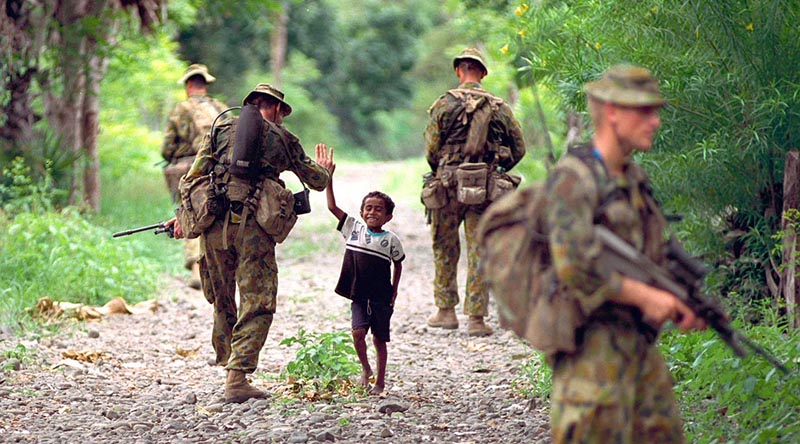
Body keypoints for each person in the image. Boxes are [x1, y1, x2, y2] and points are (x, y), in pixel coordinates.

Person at [545, 65, 706, 443]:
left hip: (641, 353)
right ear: (612, 111)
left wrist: (678, 299)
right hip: (591, 361)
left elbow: (646, 259)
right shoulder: (573, 179)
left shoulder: (634, 179)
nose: (655, 121)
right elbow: (575, 266)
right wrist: (649, 297)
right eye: (644, 111)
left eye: (656, 111)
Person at [168, 83, 330, 403]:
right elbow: (317, 181)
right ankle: (237, 377)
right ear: (278, 109)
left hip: (214, 226)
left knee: (222, 296)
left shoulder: (219, 129)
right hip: (253, 229)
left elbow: (192, 177)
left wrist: (183, 219)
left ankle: (227, 361)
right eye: (281, 112)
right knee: (258, 300)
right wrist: (326, 170)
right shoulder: (283, 139)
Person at [423, 47, 526, 336]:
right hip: (486, 188)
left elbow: (431, 149)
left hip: (447, 185)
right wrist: (496, 164)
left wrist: (444, 167)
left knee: (444, 246)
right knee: (480, 250)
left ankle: (445, 312)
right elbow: (519, 148)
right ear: (482, 73)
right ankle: (476, 319)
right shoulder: (499, 107)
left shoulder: (443, 104)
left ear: (459, 71)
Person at [316, 145, 404, 395]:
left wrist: (394, 292)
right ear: (361, 212)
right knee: (357, 333)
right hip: (358, 293)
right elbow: (332, 207)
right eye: (368, 208)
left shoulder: (391, 240)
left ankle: (381, 382)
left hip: (380, 296)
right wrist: (328, 178)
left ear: (388, 216)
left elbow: (399, 263)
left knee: (379, 339)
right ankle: (365, 369)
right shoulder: (353, 228)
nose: (372, 212)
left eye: (378, 209)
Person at [161, 63, 228, 290]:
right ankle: (218, 268)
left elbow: (167, 147)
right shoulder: (220, 108)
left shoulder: (181, 109)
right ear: (205, 85)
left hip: (188, 170)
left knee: (188, 213)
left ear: (189, 85)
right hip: (219, 170)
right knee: (216, 215)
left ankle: (197, 270)